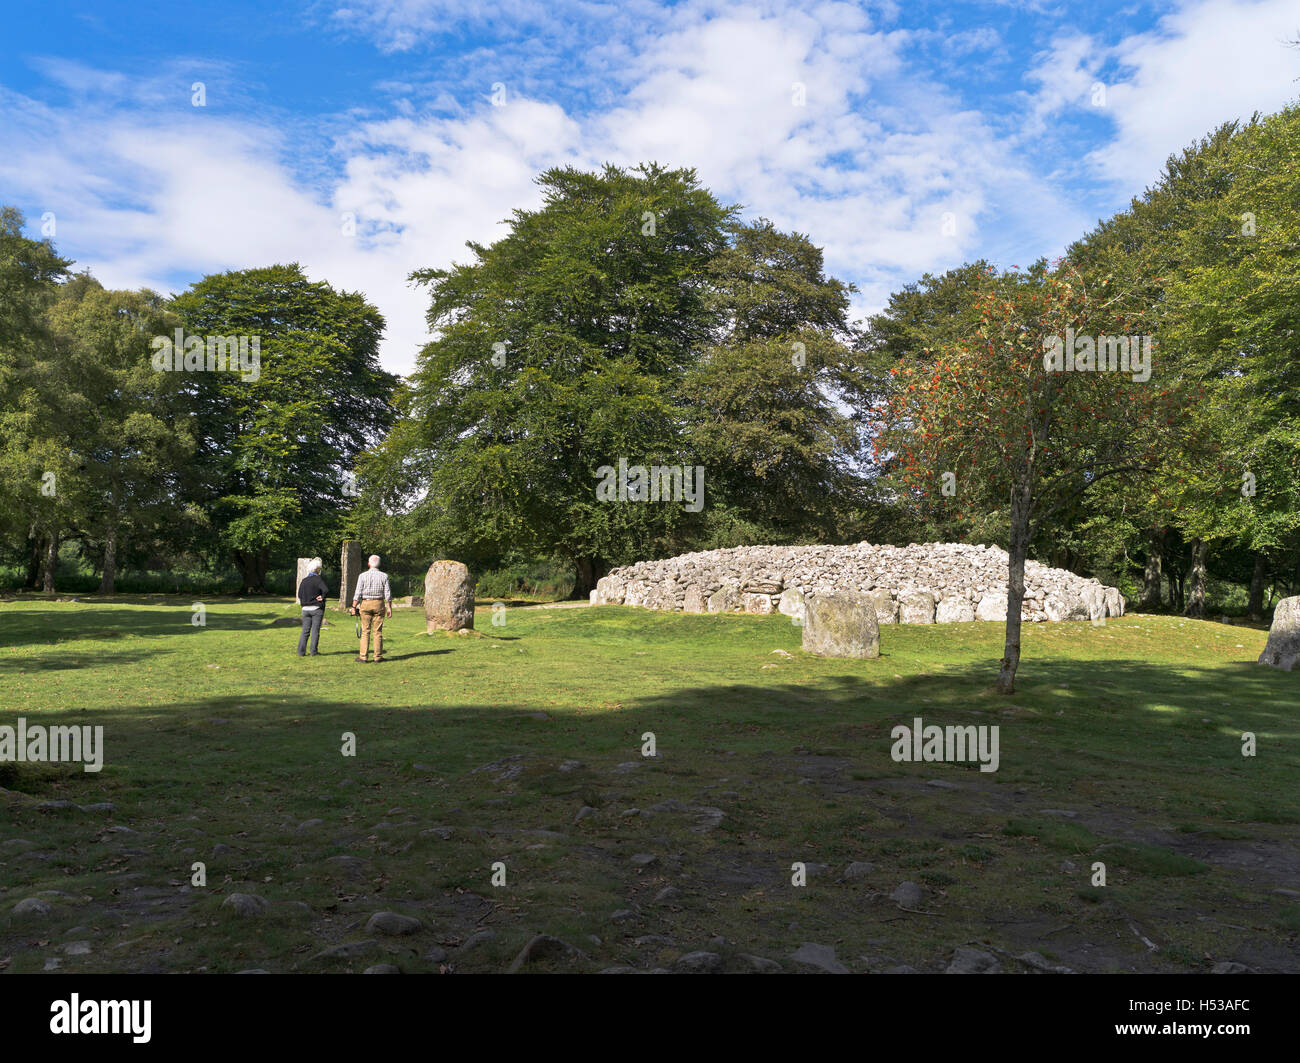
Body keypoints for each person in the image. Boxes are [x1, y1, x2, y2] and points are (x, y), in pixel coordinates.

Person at [351, 554, 392, 663]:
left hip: (365, 603)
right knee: (377, 631)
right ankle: (377, 656)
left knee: (365, 631)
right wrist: (389, 608)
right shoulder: (384, 576)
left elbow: (357, 593)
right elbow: (387, 594)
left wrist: (353, 606)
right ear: (379, 564)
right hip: (379, 603)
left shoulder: (362, 576)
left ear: (369, 564)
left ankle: (363, 656)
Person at [296, 558, 329, 657]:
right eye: (320, 569)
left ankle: (301, 652)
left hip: (305, 609)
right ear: (317, 569)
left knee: (305, 631)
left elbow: (299, 594)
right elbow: (326, 590)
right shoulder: (318, 579)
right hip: (316, 609)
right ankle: (313, 652)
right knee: (315, 631)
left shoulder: (304, 580)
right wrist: (322, 597)